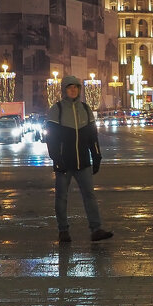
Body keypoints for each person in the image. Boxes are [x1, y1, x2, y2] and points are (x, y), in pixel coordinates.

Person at [44, 76, 113, 243]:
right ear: (64, 89)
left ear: (79, 89)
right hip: (64, 163)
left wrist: (96, 156)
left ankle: (96, 229)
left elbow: (92, 137)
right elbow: (51, 139)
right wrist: (56, 159)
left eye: (76, 87)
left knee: (90, 195)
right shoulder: (57, 109)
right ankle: (63, 231)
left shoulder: (86, 109)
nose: (73, 90)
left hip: (83, 162)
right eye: (69, 87)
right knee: (61, 197)